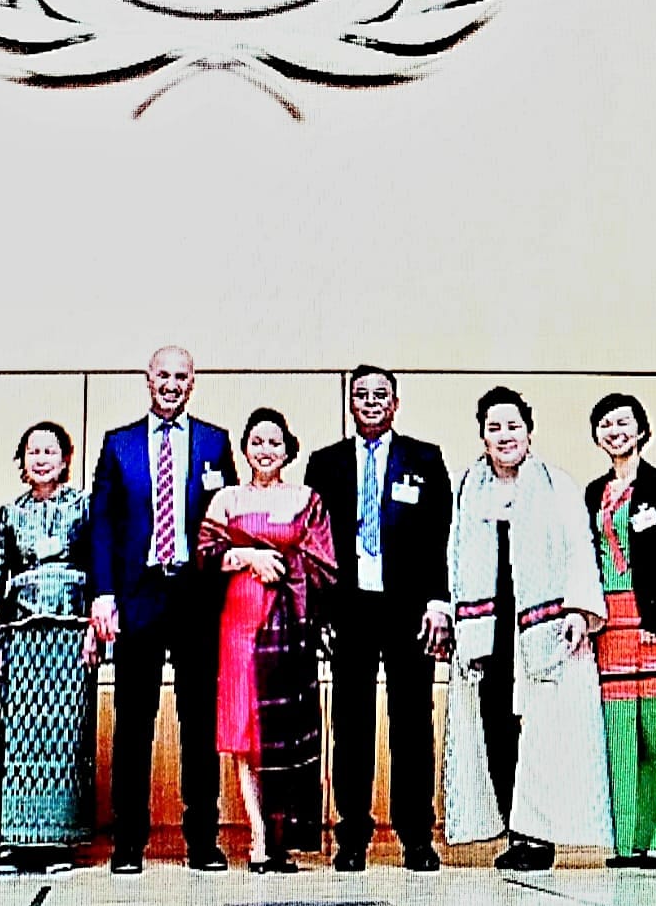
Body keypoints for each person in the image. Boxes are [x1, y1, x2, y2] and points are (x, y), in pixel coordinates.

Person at [443, 386, 612, 870]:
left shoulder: (557, 485)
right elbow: (454, 556)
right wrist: (452, 618)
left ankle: (539, 836)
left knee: (541, 731)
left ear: (529, 432)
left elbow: (580, 548)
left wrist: (579, 610)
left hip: (543, 628)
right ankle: (513, 830)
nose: (504, 435)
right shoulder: (469, 488)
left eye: (513, 425)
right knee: (496, 727)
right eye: (494, 427)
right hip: (487, 628)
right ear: (482, 436)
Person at [89, 344, 238, 875]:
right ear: (148, 379)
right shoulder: (119, 443)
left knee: (199, 721)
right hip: (139, 595)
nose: (172, 384)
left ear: (192, 383)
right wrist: (103, 595)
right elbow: (103, 524)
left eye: (181, 376)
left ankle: (203, 839)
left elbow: (226, 519)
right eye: (163, 375)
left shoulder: (215, 442)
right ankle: (129, 842)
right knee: (134, 721)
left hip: (197, 595)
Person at [303, 364, 450, 872]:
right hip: (349, 610)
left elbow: (440, 536)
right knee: (351, 724)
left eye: (380, 394)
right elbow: (314, 543)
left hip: (409, 609)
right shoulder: (326, 462)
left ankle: (417, 837)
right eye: (361, 394)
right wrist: (319, 611)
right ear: (350, 402)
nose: (370, 401)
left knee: (413, 724)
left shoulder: (424, 458)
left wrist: (438, 602)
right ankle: (352, 836)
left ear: (395, 403)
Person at [199, 408, 335, 873]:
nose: (265, 450)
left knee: (287, 733)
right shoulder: (226, 499)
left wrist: (282, 563)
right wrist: (247, 556)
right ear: (244, 448)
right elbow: (205, 555)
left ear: (288, 449)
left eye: (274, 442)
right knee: (246, 734)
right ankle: (258, 836)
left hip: (290, 626)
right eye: (256, 442)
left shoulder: (306, 498)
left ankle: (283, 838)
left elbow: (323, 563)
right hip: (240, 624)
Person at [582, 393, 656, 869]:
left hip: (653, 617)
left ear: (642, 430)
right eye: (605, 424)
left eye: (623, 422)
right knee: (621, 731)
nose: (615, 431)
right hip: (609, 622)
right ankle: (628, 839)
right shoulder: (593, 492)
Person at [0, 422, 97, 876]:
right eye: (33, 451)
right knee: (17, 736)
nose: (42, 459)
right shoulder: (9, 514)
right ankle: (12, 841)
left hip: (71, 631)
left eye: (50, 451)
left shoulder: (84, 508)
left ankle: (58, 841)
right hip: (21, 634)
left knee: (65, 733)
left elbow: (98, 567)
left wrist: (94, 629)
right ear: (22, 460)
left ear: (65, 459)